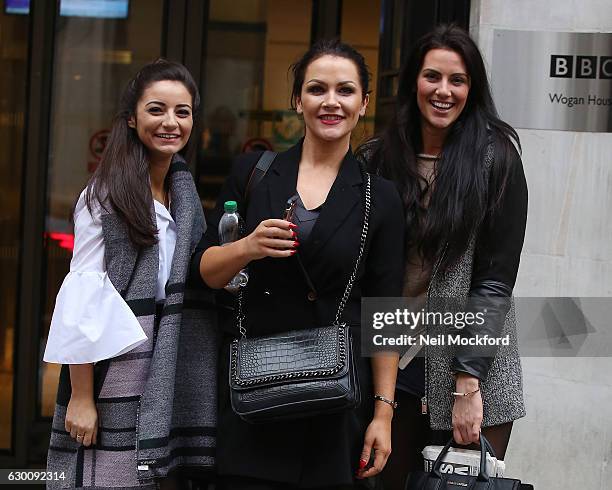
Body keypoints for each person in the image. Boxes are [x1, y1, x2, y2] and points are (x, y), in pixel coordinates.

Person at [190, 39, 404, 489]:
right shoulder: (256, 172)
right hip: (254, 398)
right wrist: (247, 246)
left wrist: (383, 414)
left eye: (345, 91)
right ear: (297, 100)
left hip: (334, 406)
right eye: (316, 89)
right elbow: (205, 270)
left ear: (363, 103)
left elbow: (384, 312)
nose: (331, 102)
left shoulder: (378, 196)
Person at [359, 24, 528, 489]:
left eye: (458, 80)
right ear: (414, 80)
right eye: (433, 76)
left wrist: (467, 382)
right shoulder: (377, 158)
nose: (444, 91)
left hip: (473, 361)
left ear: (472, 90)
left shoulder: (496, 158)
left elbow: (495, 281)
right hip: (394, 355)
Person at [43, 59, 217, 489]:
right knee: (112, 476)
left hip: (169, 359)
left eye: (183, 111)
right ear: (131, 118)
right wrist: (81, 397)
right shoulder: (103, 197)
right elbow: (83, 293)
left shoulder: (185, 194)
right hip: (118, 363)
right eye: (156, 110)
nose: (170, 122)